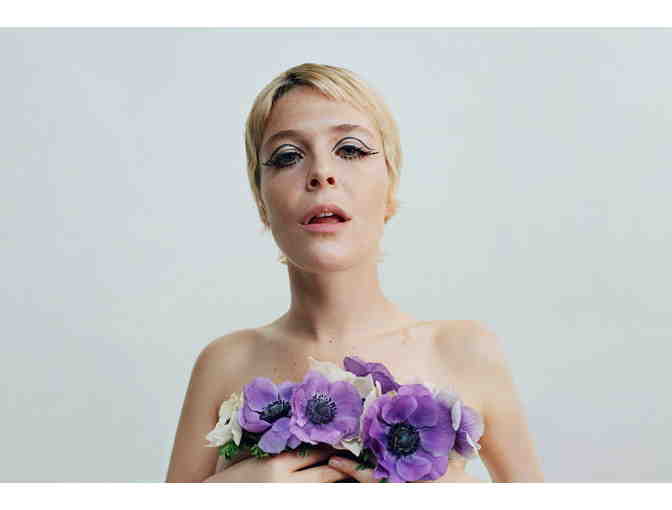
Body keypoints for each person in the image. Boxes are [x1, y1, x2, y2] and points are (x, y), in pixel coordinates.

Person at [165, 63, 544, 483]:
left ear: (391, 186)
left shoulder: (465, 351)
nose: (321, 173)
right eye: (288, 156)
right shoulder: (224, 363)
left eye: (350, 150)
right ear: (261, 202)